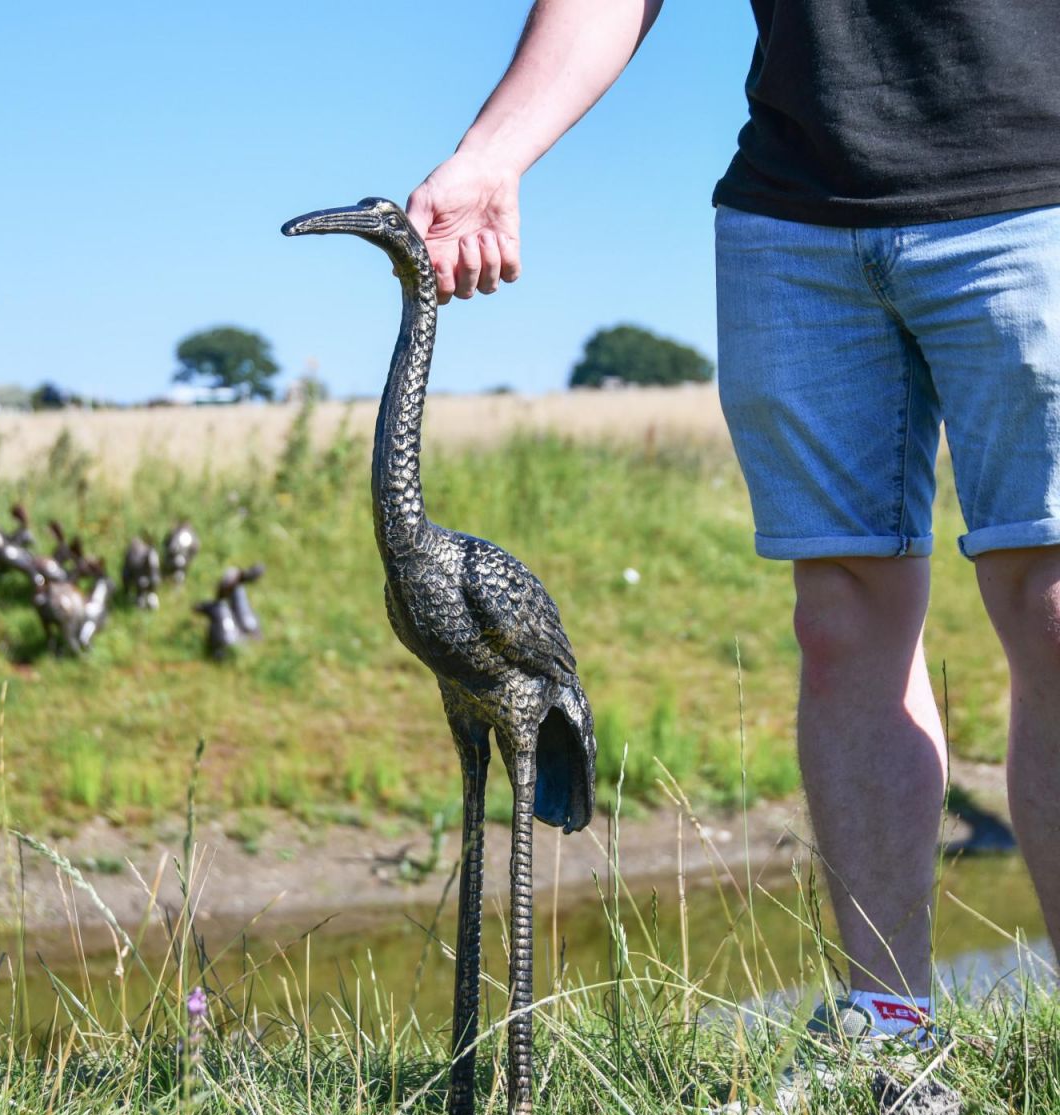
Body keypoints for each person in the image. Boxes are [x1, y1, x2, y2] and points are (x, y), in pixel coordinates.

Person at [406, 0, 1060, 1044]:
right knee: (838, 617)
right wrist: (491, 154)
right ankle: (891, 1030)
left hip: (1034, 192)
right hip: (796, 214)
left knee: (1053, 606)